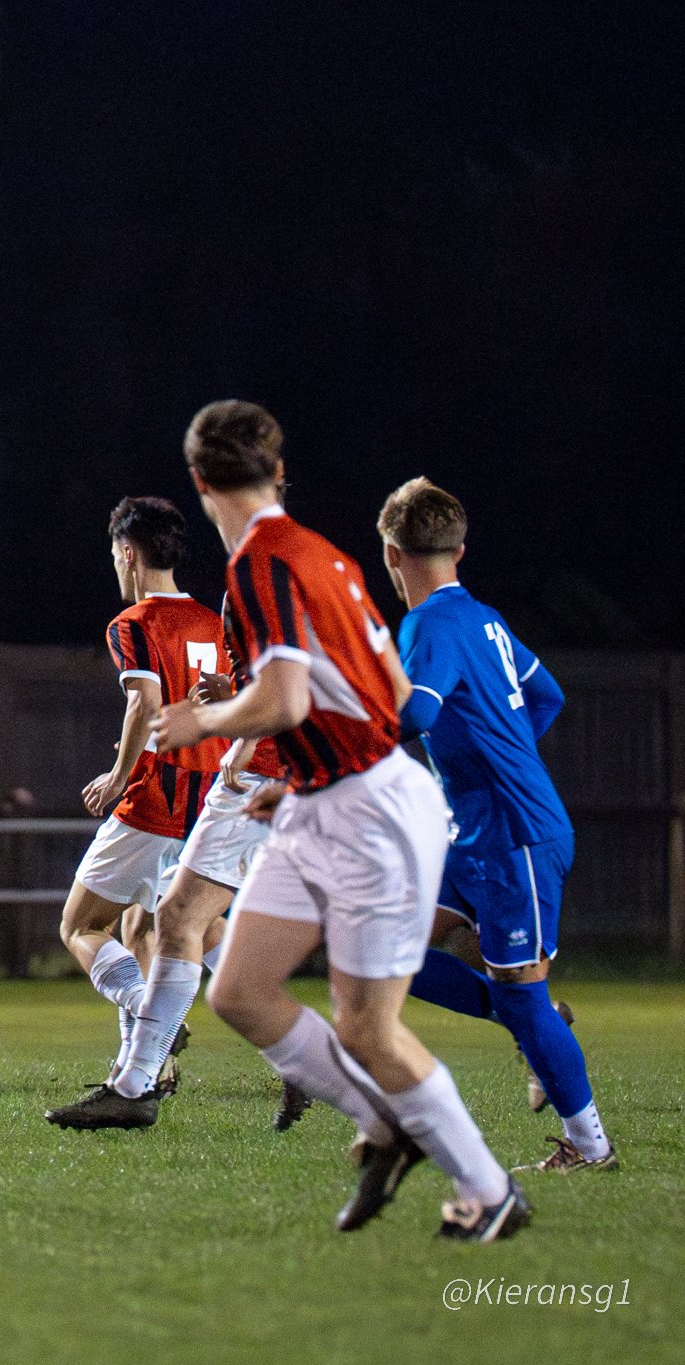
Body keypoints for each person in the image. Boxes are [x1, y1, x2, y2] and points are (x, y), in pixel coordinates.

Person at [152, 401, 527, 1242]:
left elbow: (282, 698)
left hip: (372, 811)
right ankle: (391, 1123)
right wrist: (313, 777)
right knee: (241, 991)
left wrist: (202, 723)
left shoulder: (262, 565)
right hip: (327, 797)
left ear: (202, 480)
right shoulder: (325, 555)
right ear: (278, 472)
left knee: (367, 1025)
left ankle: (489, 1187)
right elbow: (385, 692)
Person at [377, 477, 614, 1173]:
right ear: (460, 546)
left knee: (521, 991)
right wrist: (499, 758)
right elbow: (548, 694)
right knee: (391, 950)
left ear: (392, 553)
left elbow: (415, 714)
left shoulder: (428, 624)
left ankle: (590, 1146)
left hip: (515, 837)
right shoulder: (482, 617)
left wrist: (348, 739)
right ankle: (534, 1025)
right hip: (477, 833)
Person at [44, 497, 229, 1129]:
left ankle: (153, 1010)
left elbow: (144, 704)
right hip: (212, 795)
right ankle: (142, 1076)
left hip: (159, 791)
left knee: (79, 927)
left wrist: (119, 775)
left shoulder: (135, 621)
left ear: (128, 552)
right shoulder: (211, 620)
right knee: (148, 931)